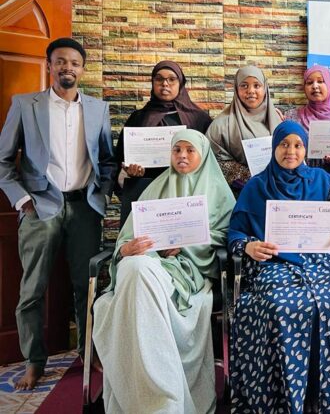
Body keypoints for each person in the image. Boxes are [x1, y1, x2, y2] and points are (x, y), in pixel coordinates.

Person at [0, 37, 116, 390]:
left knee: (88, 286)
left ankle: (87, 352)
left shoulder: (98, 109)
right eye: (61, 61)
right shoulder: (24, 104)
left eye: (75, 62)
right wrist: (23, 201)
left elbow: (107, 160)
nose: (68, 67)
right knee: (32, 289)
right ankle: (34, 361)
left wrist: (105, 193)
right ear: (49, 65)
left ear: (82, 68)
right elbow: (3, 161)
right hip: (40, 208)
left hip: (85, 208)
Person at [93, 129, 235, 413]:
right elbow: (126, 237)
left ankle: (154, 394)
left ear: (203, 154)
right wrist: (126, 250)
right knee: (136, 265)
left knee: (138, 271)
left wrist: (185, 246)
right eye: (177, 150)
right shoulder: (154, 187)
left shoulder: (219, 192)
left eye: (189, 150)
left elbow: (224, 241)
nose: (182, 156)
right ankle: (162, 395)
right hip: (148, 264)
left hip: (186, 269)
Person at [228, 120, 330, 413]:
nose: (291, 151)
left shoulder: (322, 180)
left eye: (298, 145)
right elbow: (235, 233)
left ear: (306, 149)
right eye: (284, 144)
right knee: (281, 306)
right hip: (275, 263)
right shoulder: (257, 186)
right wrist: (249, 246)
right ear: (274, 147)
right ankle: (287, 400)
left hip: (321, 261)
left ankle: (328, 398)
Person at [114, 60, 212, 224]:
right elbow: (121, 159)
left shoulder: (198, 118)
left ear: (180, 83)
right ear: (152, 83)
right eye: (159, 79)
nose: (165, 83)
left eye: (171, 79)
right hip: (145, 194)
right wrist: (129, 172)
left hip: (186, 193)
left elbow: (209, 160)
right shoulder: (138, 118)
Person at [206, 66, 282, 193]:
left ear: (265, 89)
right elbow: (212, 161)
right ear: (236, 89)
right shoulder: (221, 125)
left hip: (278, 191)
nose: (251, 91)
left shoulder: (277, 120)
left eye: (257, 86)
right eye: (244, 86)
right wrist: (249, 178)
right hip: (238, 194)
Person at [285, 64, 330, 179]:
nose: (315, 86)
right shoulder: (292, 117)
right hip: (300, 181)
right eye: (309, 83)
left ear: (329, 84)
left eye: (320, 81)